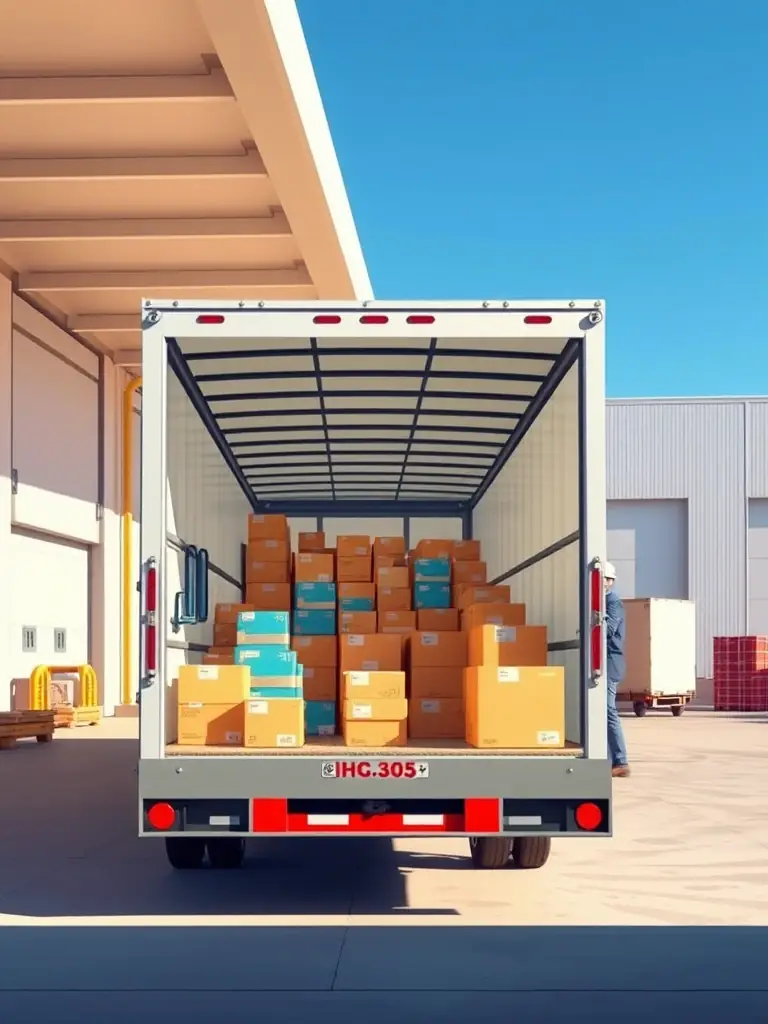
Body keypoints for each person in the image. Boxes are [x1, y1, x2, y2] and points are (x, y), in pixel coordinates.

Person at [604, 562, 630, 777]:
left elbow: (609, 629)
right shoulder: (603, 601)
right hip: (604, 662)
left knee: (607, 710)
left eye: (606, 579)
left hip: (611, 662)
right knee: (601, 711)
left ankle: (621, 761)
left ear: (609, 581)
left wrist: (593, 621)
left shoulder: (613, 603)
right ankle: (610, 759)